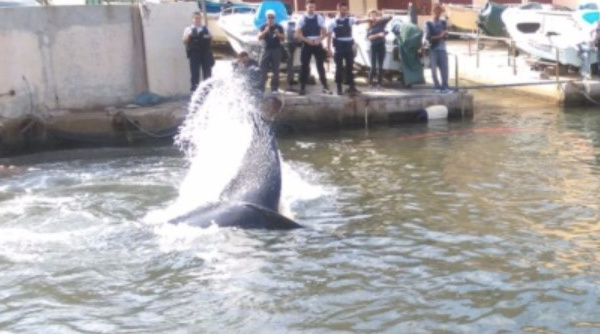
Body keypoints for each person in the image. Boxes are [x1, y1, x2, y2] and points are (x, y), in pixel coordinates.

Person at [327, 2, 368, 96]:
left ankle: (352, 87)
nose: (345, 11)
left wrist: (370, 19)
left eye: (346, 9)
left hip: (348, 46)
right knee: (339, 68)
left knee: (350, 67)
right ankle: (339, 88)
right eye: (343, 9)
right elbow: (329, 36)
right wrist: (328, 48)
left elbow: (359, 21)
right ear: (338, 9)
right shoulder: (333, 22)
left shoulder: (350, 20)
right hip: (339, 46)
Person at [295, 0, 331, 96]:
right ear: (306, 7)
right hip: (307, 44)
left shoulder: (319, 17)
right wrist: (307, 41)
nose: (311, 9)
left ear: (315, 7)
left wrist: (319, 40)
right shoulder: (301, 18)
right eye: (310, 7)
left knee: (320, 66)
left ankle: (325, 86)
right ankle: (302, 87)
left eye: (313, 7)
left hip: (317, 44)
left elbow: (324, 32)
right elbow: (297, 34)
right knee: (304, 66)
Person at [183, 12, 215, 92]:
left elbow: (211, 39)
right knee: (195, 74)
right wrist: (189, 36)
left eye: (199, 18)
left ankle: (207, 92)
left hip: (205, 53)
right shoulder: (188, 29)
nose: (198, 20)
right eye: (196, 18)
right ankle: (194, 92)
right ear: (192, 19)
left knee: (207, 73)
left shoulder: (206, 28)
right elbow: (184, 42)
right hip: (194, 54)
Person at [424, 4, 451, 94]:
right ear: (433, 12)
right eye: (436, 11)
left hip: (442, 49)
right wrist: (440, 36)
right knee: (434, 71)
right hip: (433, 49)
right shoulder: (428, 23)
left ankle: (445, 87)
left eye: (439, 12)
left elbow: (446, 36)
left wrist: (445, 35)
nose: (438, 13)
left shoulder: (443, 23)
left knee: (444, 70)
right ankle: (437, 86)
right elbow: (428, 38)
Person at [257, 9, 285, 94]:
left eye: (272, 17)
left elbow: (283, 38)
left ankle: (274, 88)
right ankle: (261, 88)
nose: (270, 19)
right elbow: (259, 37)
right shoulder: (262, 26)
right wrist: (265, 31)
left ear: (274, 18)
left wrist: (278, 34)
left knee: (275, 70)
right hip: (265, 49)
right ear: (266, 18)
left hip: (276, 50)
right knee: (263, 70)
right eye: (269, 17)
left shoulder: (279, 27)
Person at [366, 9, 392, 89]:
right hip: (373, 46)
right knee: (373, 66)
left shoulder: (381, 23)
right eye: (372, 15)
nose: (374, 16)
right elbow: (369, 37)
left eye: (375, 15)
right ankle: (370, 83)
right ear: (369, 16)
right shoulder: (369, 26)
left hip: (381, 46)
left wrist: (380, 18)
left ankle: (379, 84)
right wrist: (378, 35)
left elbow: (390, 17)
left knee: (380, 66)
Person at [285, 7, 301, 91]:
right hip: (298, 44)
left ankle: (290, 82)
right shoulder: (297, 19)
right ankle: (293, 81)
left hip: (288, 44)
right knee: (296, 64)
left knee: (290, 64)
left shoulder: (284, 21)